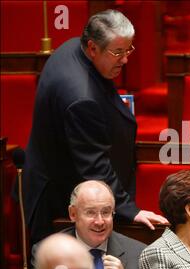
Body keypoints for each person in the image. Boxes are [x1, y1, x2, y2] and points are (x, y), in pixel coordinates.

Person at [20, 9, 168, 246]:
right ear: (92, 48)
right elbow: (94, 165)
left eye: (128, 49)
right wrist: (130, 210)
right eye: (118, 52)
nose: (126, 59)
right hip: (58, 199)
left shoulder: (73, 46)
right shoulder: (81, 98)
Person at [32, 180, 147, 269]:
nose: (100, 221)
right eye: (90, 212)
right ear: (73, 214)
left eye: (106, 212)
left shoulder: (138, 253)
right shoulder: (46, 252)